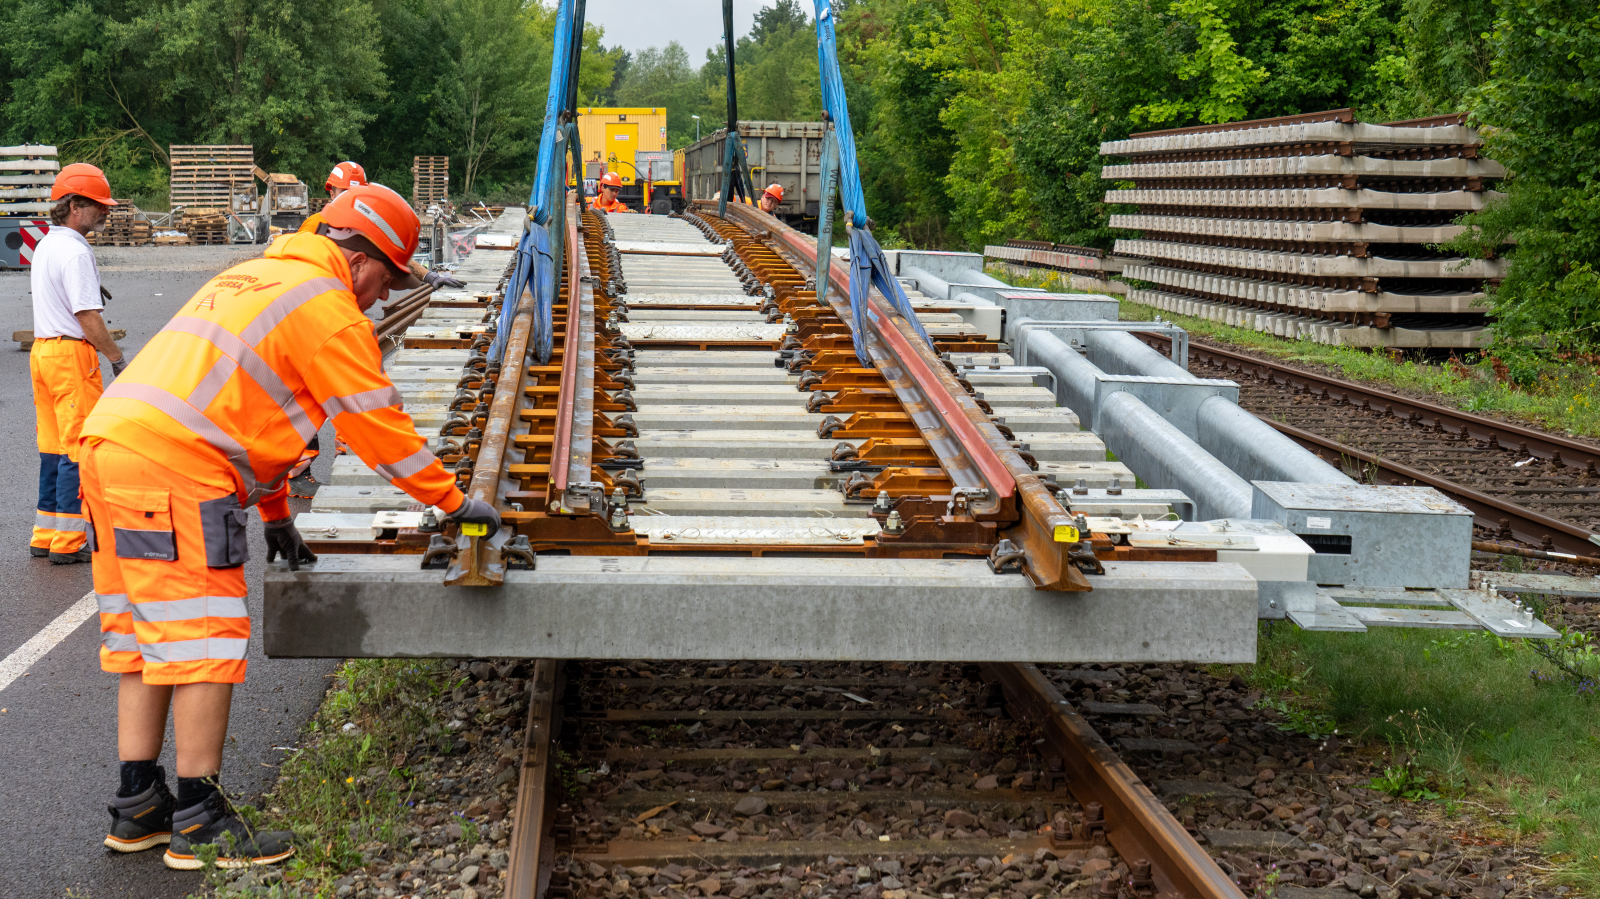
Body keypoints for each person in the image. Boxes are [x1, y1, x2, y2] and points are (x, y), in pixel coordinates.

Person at [83, 183, 503, 870]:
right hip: (176, 467)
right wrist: (454, 504)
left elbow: (246, 407)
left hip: (111, 447)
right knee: (202, 638)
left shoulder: (261, 273)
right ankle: (199, 818)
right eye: (388, 282)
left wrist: (277, 515)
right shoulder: (326, 306)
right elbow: (377, 426)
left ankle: (140, 806)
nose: (382, 298)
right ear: (364, 260)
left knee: (142, 638)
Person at [287, 161, 463, 480]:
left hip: (337, 316)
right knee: (324, 390)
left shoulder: (355, 220)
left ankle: (347, 453)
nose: (340, 197)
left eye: (345, 192)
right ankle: (303, 468)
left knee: (345, 389)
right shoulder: (324, 225)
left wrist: (428, 277)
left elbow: (393, 264)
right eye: (340, 192)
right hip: (320, 318)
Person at [29, 163, 127, 563]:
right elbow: (88, 317)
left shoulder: (48, 244)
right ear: (74, 206)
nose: (106, 212)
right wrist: (117, 359)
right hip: (71, 357)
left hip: (43, 354)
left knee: (53, 448)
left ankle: (47, 533)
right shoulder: (74, 252)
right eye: (98, 205)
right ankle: (69, 543)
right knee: (78, 450)